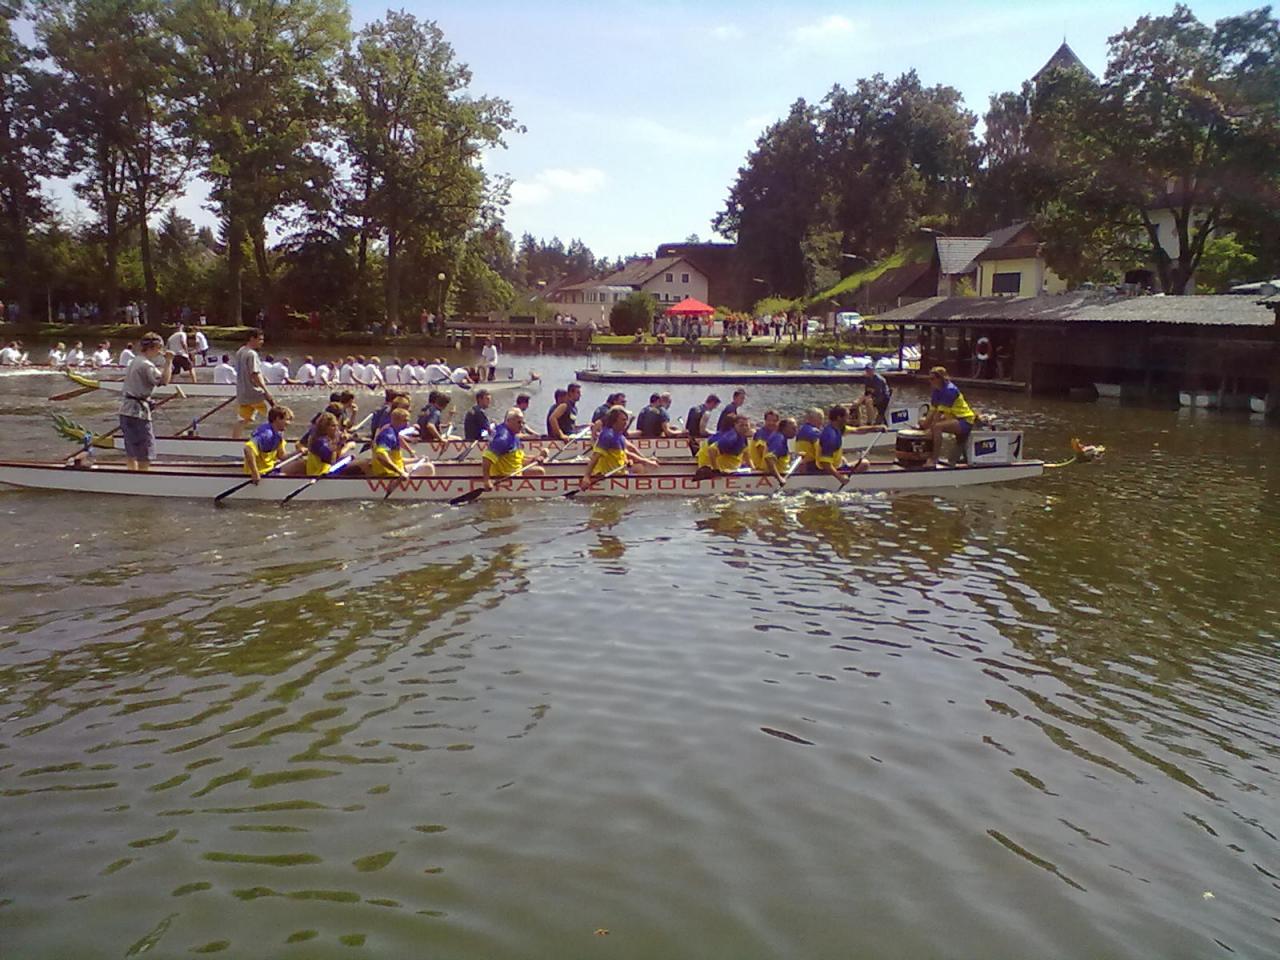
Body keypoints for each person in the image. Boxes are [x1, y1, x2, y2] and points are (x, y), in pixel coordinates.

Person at [116, 331, 174, 471]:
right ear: (154, 348)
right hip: (139, 414)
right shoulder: (147, 365)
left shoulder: (135, 361)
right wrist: (169, 361)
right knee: (145, 451)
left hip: (125, 411)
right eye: (160, 348)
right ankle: (144, 475)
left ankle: (132, 473)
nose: (160, 351)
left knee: (131, 450)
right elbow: (164, 381)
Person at [580, 405, 658, 488]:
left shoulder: (619, 435)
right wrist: (586, 477)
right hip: (607, 475)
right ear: (614, 420)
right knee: (640, 468)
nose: (626, 423)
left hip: (619, 471)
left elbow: (626, 453)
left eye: (627, 420)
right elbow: (594, 458)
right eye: (623, 420)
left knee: (639, 467)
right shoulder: (607, 436)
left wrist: (642, 460)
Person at [921, 365, 977, 465]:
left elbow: (938, 415)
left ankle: (934, 459)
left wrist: (929, 428)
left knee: (937, 427)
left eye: (932, 379)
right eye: (929, 378)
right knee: (923, 421)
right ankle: (923, 455)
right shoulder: (936, 391)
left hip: (965, 420)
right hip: (953, 418)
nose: (930, 381)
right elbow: (932, 411)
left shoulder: (949, 390)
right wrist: (923, 426)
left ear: (940, 379)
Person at [482, 407, 547, 489]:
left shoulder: (513, 434)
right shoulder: (503, 438)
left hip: (515, 470)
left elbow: (516, 458)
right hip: (505, 476)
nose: (521, 426)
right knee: (540, 472)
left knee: (539, 470)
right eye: (519, 422)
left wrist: (534, 458)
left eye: (523, 423)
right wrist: (487, 481)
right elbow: (486, 458)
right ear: (509, 421)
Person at [233, 328, 274, 439]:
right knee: (277, 414)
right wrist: (266, 391)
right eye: (260, 339)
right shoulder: (252, 354)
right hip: (255, 393)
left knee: (243, 420)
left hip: (242, 393)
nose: (262, 342)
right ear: (252, 339)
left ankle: (233, 441)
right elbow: (255, 375)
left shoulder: (240, 351)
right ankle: (277, 441)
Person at [370, 406, 433, 479]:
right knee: (429, 468)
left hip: (396, 470)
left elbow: (398, 460)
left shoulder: (394, 432)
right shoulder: (389, 435)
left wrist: (417, 460)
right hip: (388, 473)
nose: (407, 423)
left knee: (427, 464)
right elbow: (381, 455)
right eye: (405, 421)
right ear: (396, 421)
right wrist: (400, 472)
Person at [242, 405, 294, 483]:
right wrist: (255, 473)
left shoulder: (278, 433)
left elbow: (282, 456)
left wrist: (299, 451)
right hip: (262, 473)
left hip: (271, 469)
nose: (289, 423)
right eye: (287, 420)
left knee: (301, 465)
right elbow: (248, 449)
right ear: (277, 419)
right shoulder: (266, 434)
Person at [305, 411, 353, 477]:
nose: (336, 429)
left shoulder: (328, 438)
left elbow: (335, 455)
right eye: (333, 426)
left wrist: (341, 442)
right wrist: (345, 446)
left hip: (327, 469)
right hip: (320, 473)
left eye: (337, 425)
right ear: (325, 427)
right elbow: (332, 460)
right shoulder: (319, 442)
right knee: (349, 458)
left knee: (349, 458)